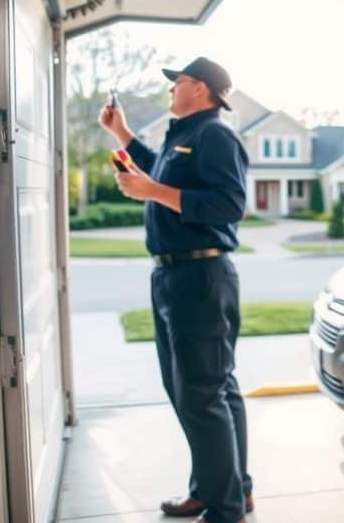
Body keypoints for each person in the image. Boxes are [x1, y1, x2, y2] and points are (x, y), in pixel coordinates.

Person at [98, 57, 253, 523]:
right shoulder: (182, 135)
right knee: (199, 391)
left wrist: (152, 192)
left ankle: (227, 511)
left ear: (201, 88)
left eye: (177, 82)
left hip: (200, 278)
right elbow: (159, 176)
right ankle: (221, 490)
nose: (170, 89)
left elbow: (229, 204)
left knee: (203, 395)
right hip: (172, 277)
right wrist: (122, 135)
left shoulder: (215, 135)